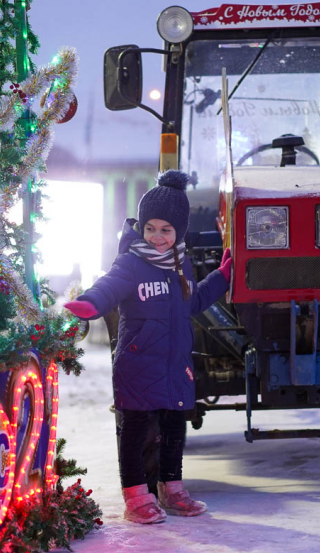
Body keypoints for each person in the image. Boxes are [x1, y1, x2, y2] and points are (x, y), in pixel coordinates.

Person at [64, 170, 232, 523]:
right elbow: (108, 287)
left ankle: (172, 490)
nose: (157, 237)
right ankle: (136, 498)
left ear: (178, 233)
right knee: (136, 430)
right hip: (138, 363)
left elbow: (195, 301)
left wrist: (223, 276)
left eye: (166, 230)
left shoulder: (180, 263)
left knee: (174, 427)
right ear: (141, 227)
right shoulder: (131, 263)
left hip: (174, 363)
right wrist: (89, 304)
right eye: (150, 228)